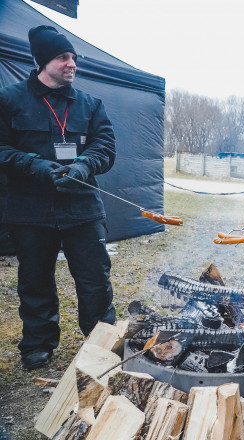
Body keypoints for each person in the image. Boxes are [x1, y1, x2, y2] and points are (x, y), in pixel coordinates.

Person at [0, 25, 117, 370]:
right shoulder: (9, 100)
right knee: (35, 280)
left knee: (96, 279)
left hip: (82, 208)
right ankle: (38, 343)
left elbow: (105, 148)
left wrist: (83, 166)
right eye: (63, 57)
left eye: (73, 58)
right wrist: (32, 164)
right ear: (42, 61)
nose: (71, 64)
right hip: (30, 210)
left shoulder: (91, 105)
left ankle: (101, 342)